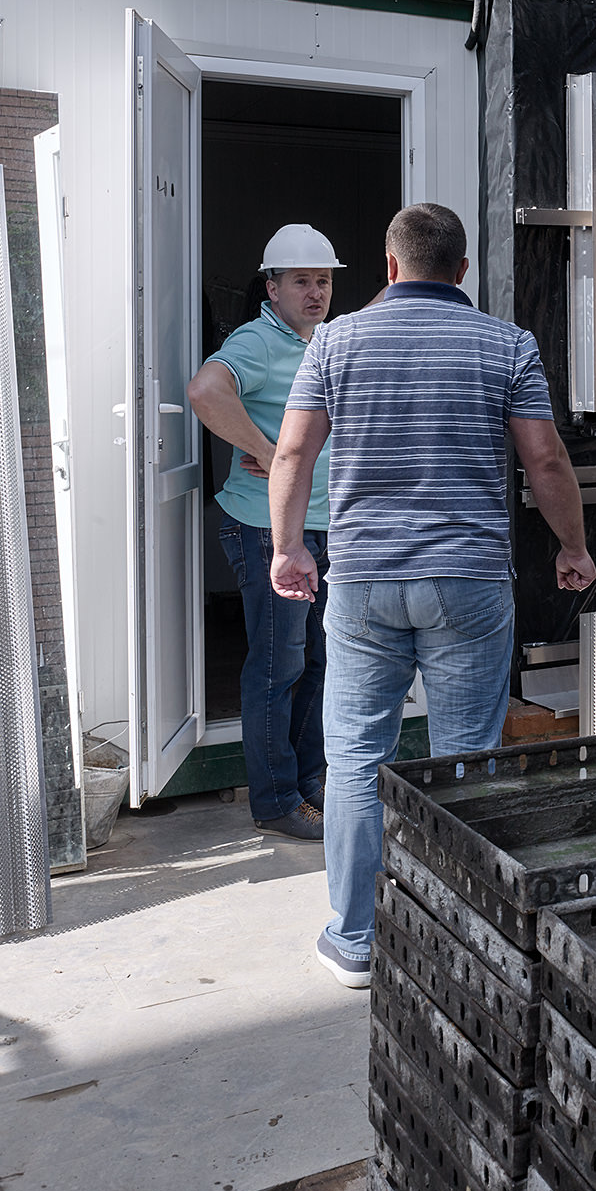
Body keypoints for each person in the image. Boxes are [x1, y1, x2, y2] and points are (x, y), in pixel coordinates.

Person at [268, 200, 596, 989]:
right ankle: (458, 928)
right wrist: (574, 547)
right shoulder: (505, 344)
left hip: (363, 582)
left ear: (387, 267)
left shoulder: (335, 340)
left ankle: (354, 941)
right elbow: (545, 463)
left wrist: (287, 549)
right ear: (462, 271)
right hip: (468, 581)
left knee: (354, 757)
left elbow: (290, 452)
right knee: (465, 757)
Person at [187, 224, 344, 840]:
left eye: (324, 280)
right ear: (272, 287)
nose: (315, 292)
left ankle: (308, 784)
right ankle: (276, 801)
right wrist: (266, 448)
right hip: (268, 530)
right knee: (278, 667)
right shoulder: (257, 341)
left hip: (325, 526)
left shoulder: (326, 340)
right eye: (301, 281)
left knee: (318, 661)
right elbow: (205, 391)